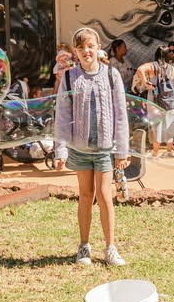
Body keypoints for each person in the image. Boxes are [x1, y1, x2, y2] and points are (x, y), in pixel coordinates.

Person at [55, 27, 130, 266]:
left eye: (90, 46)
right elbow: (62, 116)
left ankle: (110, 247)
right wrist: (60, 149)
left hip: (105, 149)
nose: (86, 51)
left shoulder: (111, 76)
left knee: (105, 196)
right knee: (86, 196)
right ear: (75, 52)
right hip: (79, 148)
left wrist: (122, 150)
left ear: (99, 48)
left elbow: (121, 115)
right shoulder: (69, 77)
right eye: (81, 47)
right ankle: (84, 246)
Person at [134, 46, 174, 156]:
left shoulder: (152, 66)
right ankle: (169, 151)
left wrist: (146, 83)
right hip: (169, 101)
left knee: (156, 126)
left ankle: (155, 151)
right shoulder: (171, 68)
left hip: (155, 101)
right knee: (169, 125)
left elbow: (140, 69)